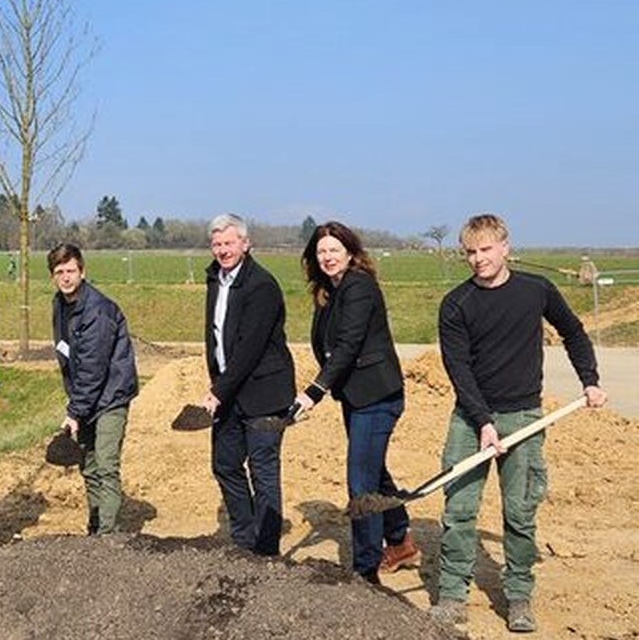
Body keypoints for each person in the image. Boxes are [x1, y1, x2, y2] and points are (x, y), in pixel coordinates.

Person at [431, 214, 607, 632]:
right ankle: (453, 595)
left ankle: (518, 596)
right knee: (458, 509)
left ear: (505, 247)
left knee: (520, 512)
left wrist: (591, 380)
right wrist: (483, 423)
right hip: (470, 419)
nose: (478, 259)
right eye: (470, 252)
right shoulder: (456, 303)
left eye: (486, 249)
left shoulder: (536, 291)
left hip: (525, 415)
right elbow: (458, 368)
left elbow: (575, 333)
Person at [295, 221, 420, 584]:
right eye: (321, 252)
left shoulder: (359, 286)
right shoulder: (328, 290)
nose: (328, 257)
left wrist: (314, 391)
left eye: (334, 250)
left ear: (350, 252)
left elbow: (348, 345)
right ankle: (399, 541)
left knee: (360, 481)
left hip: (378, 395)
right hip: (356, 395)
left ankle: (365, 569)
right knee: (374, 470)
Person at [199, 214, 295, 555]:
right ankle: (243, 540)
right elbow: (216, 337)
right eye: (217, 244)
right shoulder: (216, 279)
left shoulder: (261, 286)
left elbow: (249, 348)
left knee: (263, 470)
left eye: (229, 243)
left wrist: (217, 392)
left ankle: (266, 550)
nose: (223, 250)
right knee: (224, 464)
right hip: (229, 392)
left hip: (264, 394)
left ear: (245, 244)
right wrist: (219, 384)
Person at [48, 243, 139, 535]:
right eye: (59, 272)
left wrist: (74, 411)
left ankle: (108, 537)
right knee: (87, 464)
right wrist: (75, 401)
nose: (65, 277)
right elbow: (68, 355)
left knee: (105, 464)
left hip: (111, 395)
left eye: (71, 271)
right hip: (86, 396)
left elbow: (93, 367)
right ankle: (95, 525)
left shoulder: (97, 311)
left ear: (82, 272)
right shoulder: (59, 305)